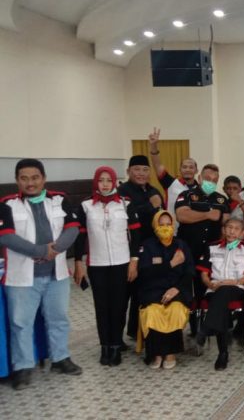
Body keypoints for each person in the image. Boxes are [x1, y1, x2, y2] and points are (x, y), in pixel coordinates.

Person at [0, 159, 82, 390]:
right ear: (17, 181)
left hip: (56, 275)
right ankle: (23, 367)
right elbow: (6, 236)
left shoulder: (59, 199)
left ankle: (60, 358)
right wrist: (40, 251)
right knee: (21, 323)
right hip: (21, 278)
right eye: (24, 178)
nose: (30, 183)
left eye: (35, 177)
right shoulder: (6, 204)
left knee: (58, 318)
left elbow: (73, 229)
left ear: (43, 178)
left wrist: (53, 250)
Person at [73, 166, 141, 366]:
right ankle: (105, 346)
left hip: (122, 263)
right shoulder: (86, 205)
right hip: (97, 264)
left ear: (114, 182)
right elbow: (80, 237)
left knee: (119, 306)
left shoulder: (126, 204)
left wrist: (134, 261)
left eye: (108, 180)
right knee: (102, 307)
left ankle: (116, 346)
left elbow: (136, 235)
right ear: (96, 182)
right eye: (101, 180)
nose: (104, 184)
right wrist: (78, 262)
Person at [175, 164, 230, 334]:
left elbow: (226, 224)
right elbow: (181, 215)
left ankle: (210, 325)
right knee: (189, 289)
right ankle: (193, 326)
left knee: (209, 288)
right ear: (199, 178)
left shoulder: (221, 200)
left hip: (212, 253)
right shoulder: (186, 195)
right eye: (207, 179)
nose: (210, 182)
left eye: (214, 180)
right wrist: (207, 215)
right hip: (189, 250)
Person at [136, 210, 193, 370]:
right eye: (161, 225)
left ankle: (170, 354)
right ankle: (157, 354)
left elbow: (189, 272)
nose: (166, 228)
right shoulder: (147, 246)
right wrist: (171, 264)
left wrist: (177, 289)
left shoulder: (181, 245)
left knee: (175, 310)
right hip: (153, 291)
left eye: (169, 224)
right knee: (153, 312)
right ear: (155, 226)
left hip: (177, 291)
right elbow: (145, 272)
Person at [195, 218, 244, 370]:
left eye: (236, 229)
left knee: (223, 293)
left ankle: (207, 330)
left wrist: (233, 282)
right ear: (223, 229)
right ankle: (222, 353)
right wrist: (210, 284)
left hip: (237, 288)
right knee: (221, 304)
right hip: (213, 288)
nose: (232, 231)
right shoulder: (212, 247)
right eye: (229, 227)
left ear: (243, 233)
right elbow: (204, 274)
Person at [118, 154, 164, 340]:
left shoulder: (153, 190)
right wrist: (150, 206)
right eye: (137, 169)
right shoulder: (122, 192)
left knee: (143, 292)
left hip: (150, 250)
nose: (141, 173)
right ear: (128, 171)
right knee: (124, 295)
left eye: (145, 170)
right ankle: (117, 339)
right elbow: (128, 216)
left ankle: (137, 331)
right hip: (128, 251)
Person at [147, 127, 199, 227]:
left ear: (196, 170)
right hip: (172, 231)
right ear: (180, 169)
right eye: (184, 167)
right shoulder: (171, 183)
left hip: (192, 232)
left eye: (191, 167)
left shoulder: (200, 189)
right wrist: (153, 146)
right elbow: (157, 165)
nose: (187, 169)